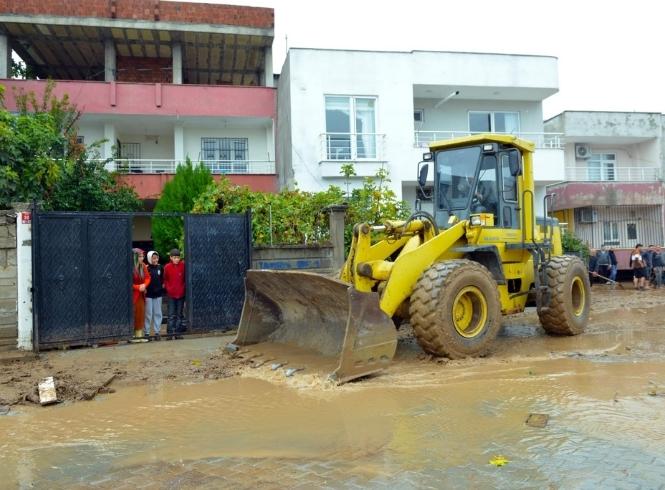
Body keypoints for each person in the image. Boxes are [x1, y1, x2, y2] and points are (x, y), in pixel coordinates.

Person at [164, 248, 186, 340]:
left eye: (178, 257)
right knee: (171, 314)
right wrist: (168, 288)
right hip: (171, 294)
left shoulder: (183, 265)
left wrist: (183, 288)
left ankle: (177, 333)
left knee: (179, 314)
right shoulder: (167, 267)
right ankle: (169, 333)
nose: (176, 259)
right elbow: (165, 279)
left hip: (181, 293)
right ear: (171, 258)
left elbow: (185, 278)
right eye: (174, 257)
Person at [144, 251, 164, 340]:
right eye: (153, 258)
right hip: (148, 294)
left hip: (158, 294)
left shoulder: (160, 267)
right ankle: (147, 332)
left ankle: (157, 332)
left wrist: (163, 286)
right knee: (148, 314)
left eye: (156, 258)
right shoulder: (146, 268)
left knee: (158, 313)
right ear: (149, 258)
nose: (155, 259)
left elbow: (163, 278)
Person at [132, 248, 151, 339]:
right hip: (133, 294)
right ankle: (132, 335)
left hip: (141, 294)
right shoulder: (130, 266)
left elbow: (148, 277)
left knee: (141, 313)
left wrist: (144, 285)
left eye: (142, 256)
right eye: (139, 256)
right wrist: (138, 287)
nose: (142, 258)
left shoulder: (143, 265)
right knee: (134, 314)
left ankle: (139, 335)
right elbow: (128, 282)